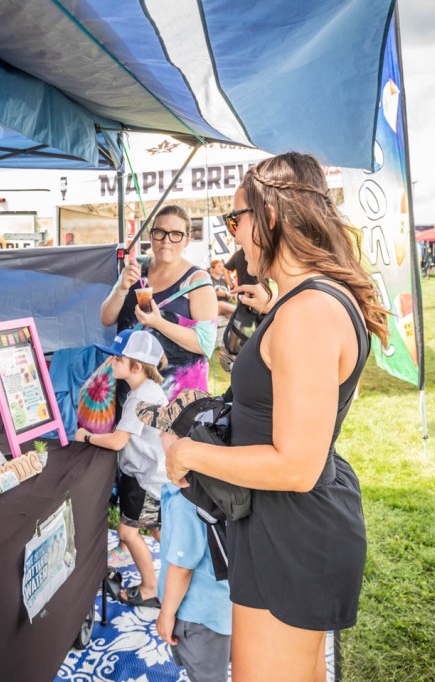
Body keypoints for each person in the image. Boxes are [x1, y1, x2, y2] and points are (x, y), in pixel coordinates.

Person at [163, 152, 387, 681]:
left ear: (268, 216)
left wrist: (188, 452)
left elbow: (297, 467)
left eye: (234, 219)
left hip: (290, 530)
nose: (234, 236)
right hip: (286, 524)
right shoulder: (306, 303)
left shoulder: (308, 312)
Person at [75, 330, 168, 609]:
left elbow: (117, 441)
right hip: (155, 474)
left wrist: (86, 437)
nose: (111, 363)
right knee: (157, 529)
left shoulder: (140, 398)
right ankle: (182, 577)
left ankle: (150, 588)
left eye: (117, 359)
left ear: (136, 366)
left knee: (128, 533)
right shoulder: (147, 389)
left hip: (145, 479)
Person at [99, 206, 217, 403]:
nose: (166, 240)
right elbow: (106, 318)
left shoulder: (197, 281)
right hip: (131, 392)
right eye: (160, 232)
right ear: (151, 235)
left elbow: (205, 344)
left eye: (176, 234)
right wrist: (121, 287)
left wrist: (157, 322)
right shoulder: (137, 269)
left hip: (177, 398)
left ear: (187, 240)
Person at [156, 479, 232, 682]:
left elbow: (182, 567)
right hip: (223, 604)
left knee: (208, 676)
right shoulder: (218, 485)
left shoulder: (185, 501)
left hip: (198, 615)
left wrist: (166, 614)